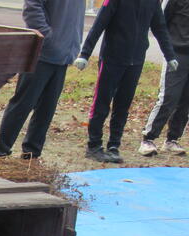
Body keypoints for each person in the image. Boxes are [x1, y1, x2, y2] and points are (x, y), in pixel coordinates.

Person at [75, 0, 178, 163]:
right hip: (112, 58)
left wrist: (170, 55)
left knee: (123, 106)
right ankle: (94, 146)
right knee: (101, 103)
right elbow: (99, 24)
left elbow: (160, 28)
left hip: (135, 61)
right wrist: (85, 54)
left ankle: (114, 145)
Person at [0, 0, 87, 159]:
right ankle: (1, 150)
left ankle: (32, 153)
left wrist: (74, 44)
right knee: (23, 103)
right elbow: (32, 6)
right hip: (41, 54)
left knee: (47, 108)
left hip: (64, 56)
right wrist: (47, 37)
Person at [138, 0, 189, 156]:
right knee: (169, 97)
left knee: (185, 101)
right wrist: (169, 49)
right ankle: (148, 138)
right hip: (176, 54)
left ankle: (172, 140)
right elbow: (160, 21)